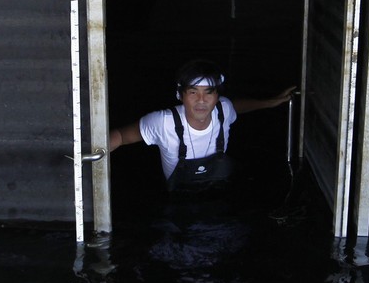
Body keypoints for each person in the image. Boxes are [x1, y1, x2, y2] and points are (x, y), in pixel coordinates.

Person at [109, 59, 296, 193]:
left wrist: (269, 103)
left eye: (209, 93)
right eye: (193, 92)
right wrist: (87, 151)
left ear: (217, 96)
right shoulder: (163, 122)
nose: (201, 101)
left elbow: (237, 106)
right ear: (180, 95)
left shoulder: (224, 109)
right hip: (177, 206)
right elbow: (122, 136)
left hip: (221, 196)